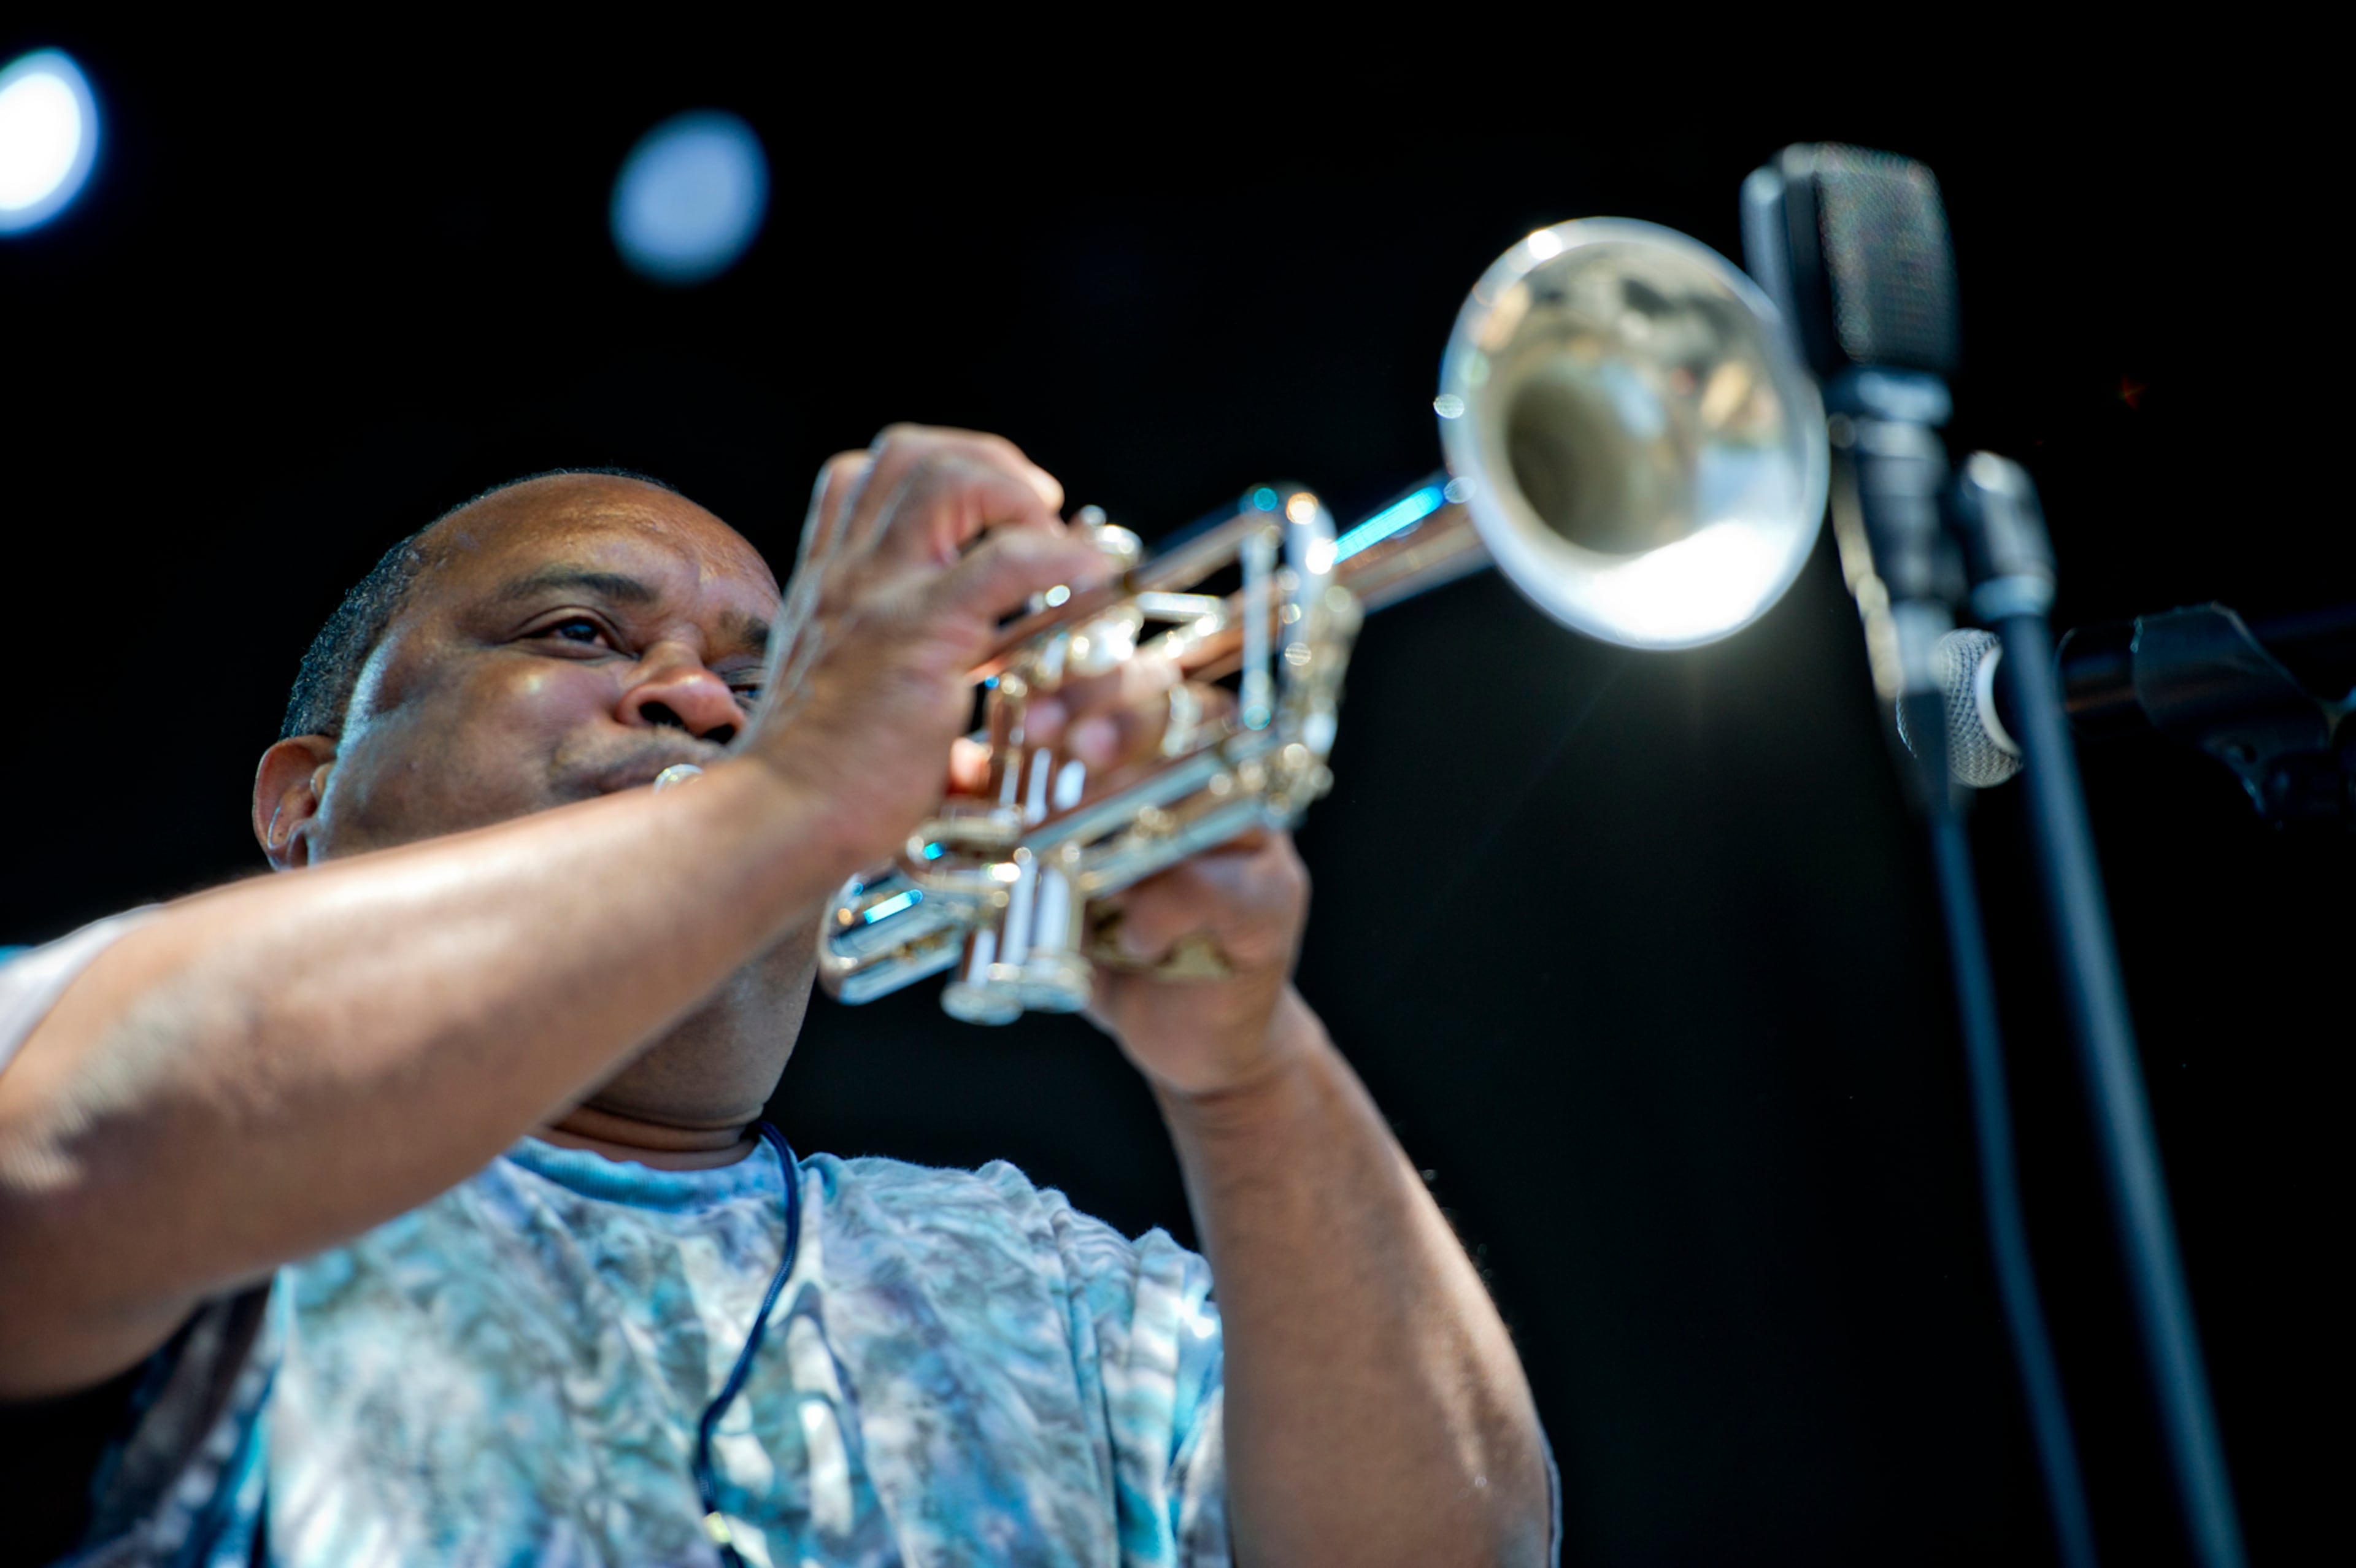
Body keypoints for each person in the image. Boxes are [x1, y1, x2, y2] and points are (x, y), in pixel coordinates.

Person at [0, 428, 1554, 1566]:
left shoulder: (1042, 1275)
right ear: (303, 802)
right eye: (581, 633)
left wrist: (1251, 1063)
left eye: (761, 681)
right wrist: (788, 786)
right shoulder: (182, 1103)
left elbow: (1462, 1551)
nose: (696, 699)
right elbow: (44, 1182)